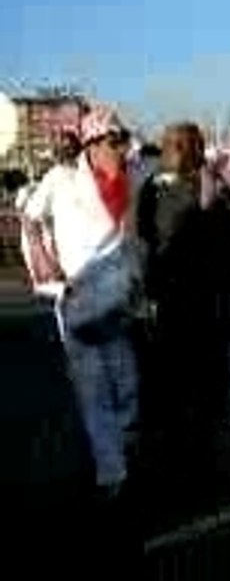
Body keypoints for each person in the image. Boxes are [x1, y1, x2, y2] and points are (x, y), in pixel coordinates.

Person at [21, 105, 140, 499]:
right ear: (91, 145)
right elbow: (30, 219)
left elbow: (136, 242)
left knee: (127, 385)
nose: (121, 149)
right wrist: (44, 262)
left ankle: (120, 436)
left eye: (123, 140)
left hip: (122, 302)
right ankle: (112, 475)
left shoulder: (132, 179)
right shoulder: (61, 180)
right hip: (80, 300)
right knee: (93, 392)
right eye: (113, 141)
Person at [137, 123, 230, 474]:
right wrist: (146, 293)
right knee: (174, 383)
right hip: (171, 302)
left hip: (211, 301)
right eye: (172, 144)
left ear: (198, 147)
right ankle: (177, 452)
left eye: (186, 144)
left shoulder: (219, 190)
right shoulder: (153, 189)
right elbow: (145, 242)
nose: (178, 150)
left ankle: (205, 452)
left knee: (211, 381)